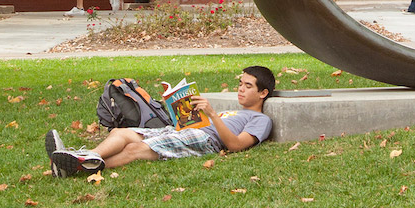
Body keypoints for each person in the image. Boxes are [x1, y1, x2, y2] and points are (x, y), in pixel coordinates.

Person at [45, 66, 276, 176]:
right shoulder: (235, 112)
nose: (241, 90)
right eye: (240, 84)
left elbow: (235, 145)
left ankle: (77, 168)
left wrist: (213, 114)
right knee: (121, 134)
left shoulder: (260, 120)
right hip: (187, 130)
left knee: (136, 148)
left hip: (205, 140)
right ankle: (87, 157)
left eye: (248, 86)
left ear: (263, 93)